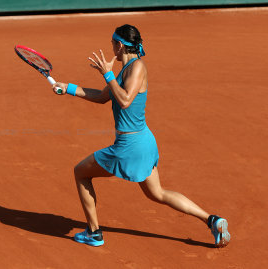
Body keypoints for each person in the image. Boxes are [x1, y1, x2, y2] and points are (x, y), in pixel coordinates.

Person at [52, 24, 230, 248]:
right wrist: (68, 87)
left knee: (80, 172)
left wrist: (107, 74)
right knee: (157, 194)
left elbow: (125, 101)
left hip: (130, 146)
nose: (110, 47)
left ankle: (94, 232)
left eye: (112, 43)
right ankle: (212, 220)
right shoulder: (124, 71)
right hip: (144, 142)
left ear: (119, 45)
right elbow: (102, 96)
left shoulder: (137, 68)